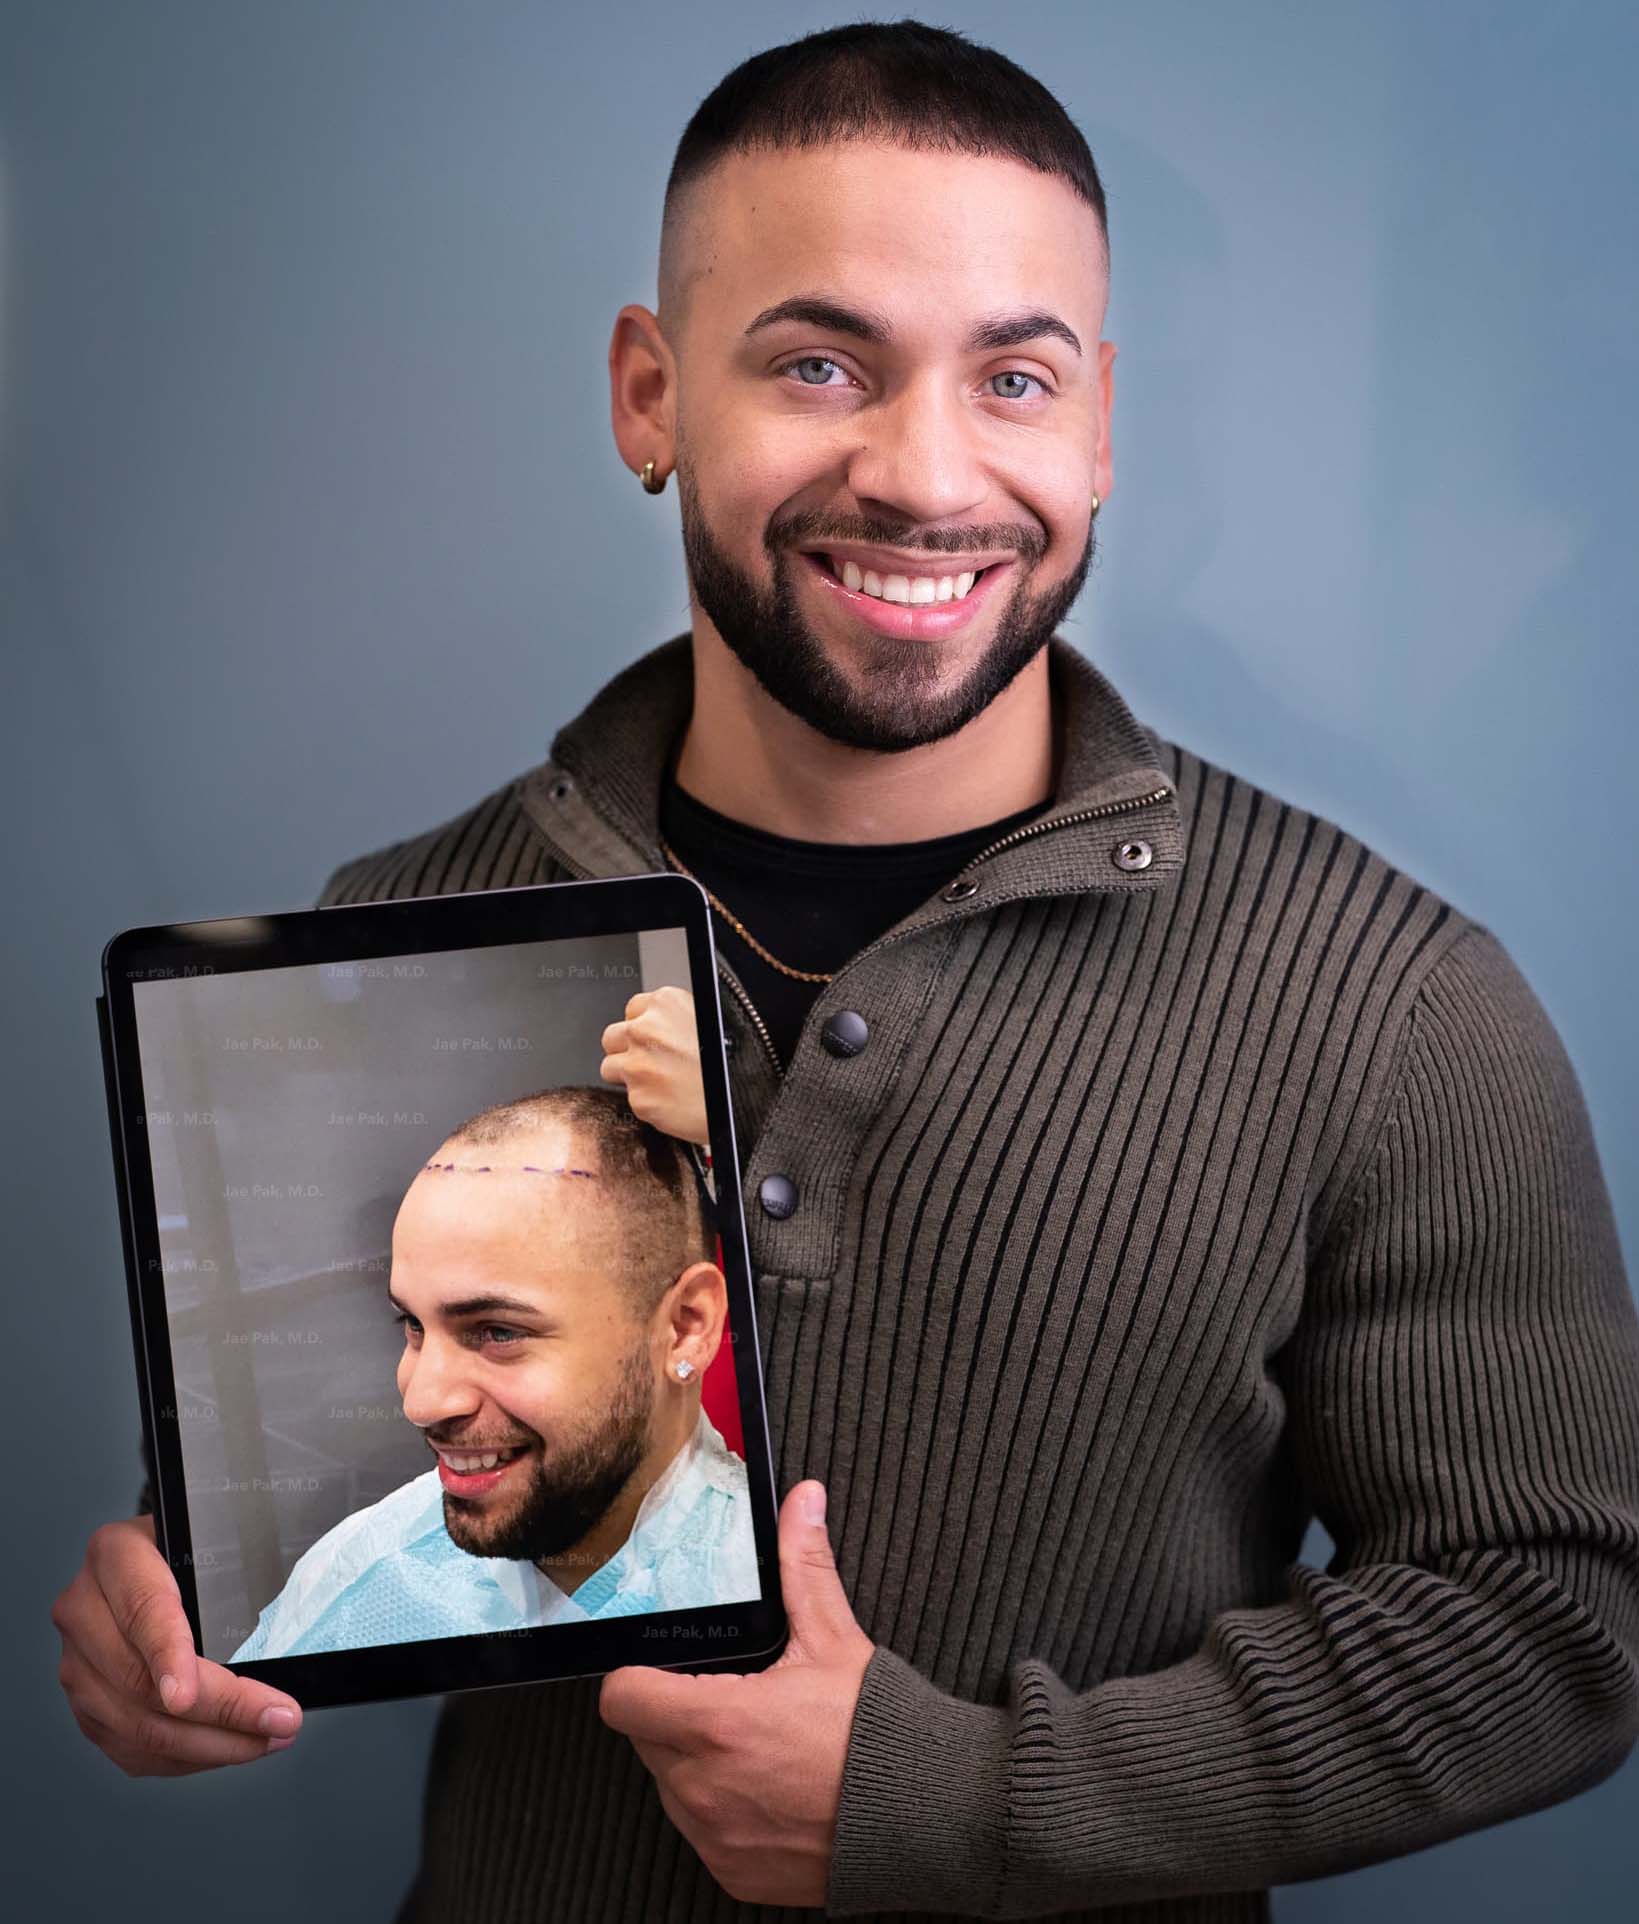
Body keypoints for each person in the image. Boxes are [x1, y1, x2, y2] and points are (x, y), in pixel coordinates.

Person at [52, 20, 1638, 1924]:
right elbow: (340, 1502)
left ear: (1100, 424)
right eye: (819, 363)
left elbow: (1558, 1613)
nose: (922, 471)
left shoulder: (1384, 1004)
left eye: (1015, 377)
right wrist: (191, 1604)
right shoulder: (389, 928)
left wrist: (954, 1796)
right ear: (649, 396)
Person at [228, 1085, 757, 1660]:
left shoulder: (778, 1594)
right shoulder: (357, 1584)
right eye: (412, 1324)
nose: (422, 1403)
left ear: (685, 1326)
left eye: (498, 1332)